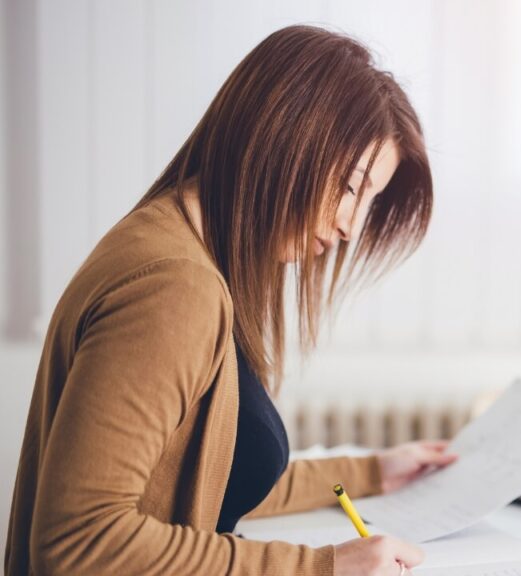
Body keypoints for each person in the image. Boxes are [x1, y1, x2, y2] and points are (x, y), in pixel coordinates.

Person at [5, 25, 455, 576]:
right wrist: (323, 568)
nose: (351, 227)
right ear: (290, 137)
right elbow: (81, 541)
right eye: (352, 187)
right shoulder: (174, 287)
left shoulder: (179, 244)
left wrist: (374, 472)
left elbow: (210, 479)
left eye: (370, 201)